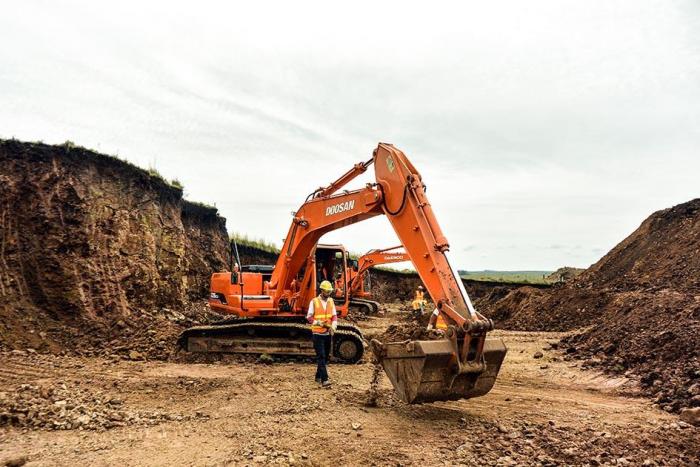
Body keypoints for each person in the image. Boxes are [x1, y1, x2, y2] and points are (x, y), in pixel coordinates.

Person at [306, 280, 338, 387]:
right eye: (327, 291)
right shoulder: (314, 301)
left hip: (327, 333)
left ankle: (318, 376)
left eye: (329, 291)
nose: (328, 293)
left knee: (326, 356)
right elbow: (309, 317)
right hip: (317, 333)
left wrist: (333, 326)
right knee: (321, 356)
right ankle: (325, 380)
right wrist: (318, 323)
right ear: (322, 291)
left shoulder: (331, 301)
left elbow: (334, 316)